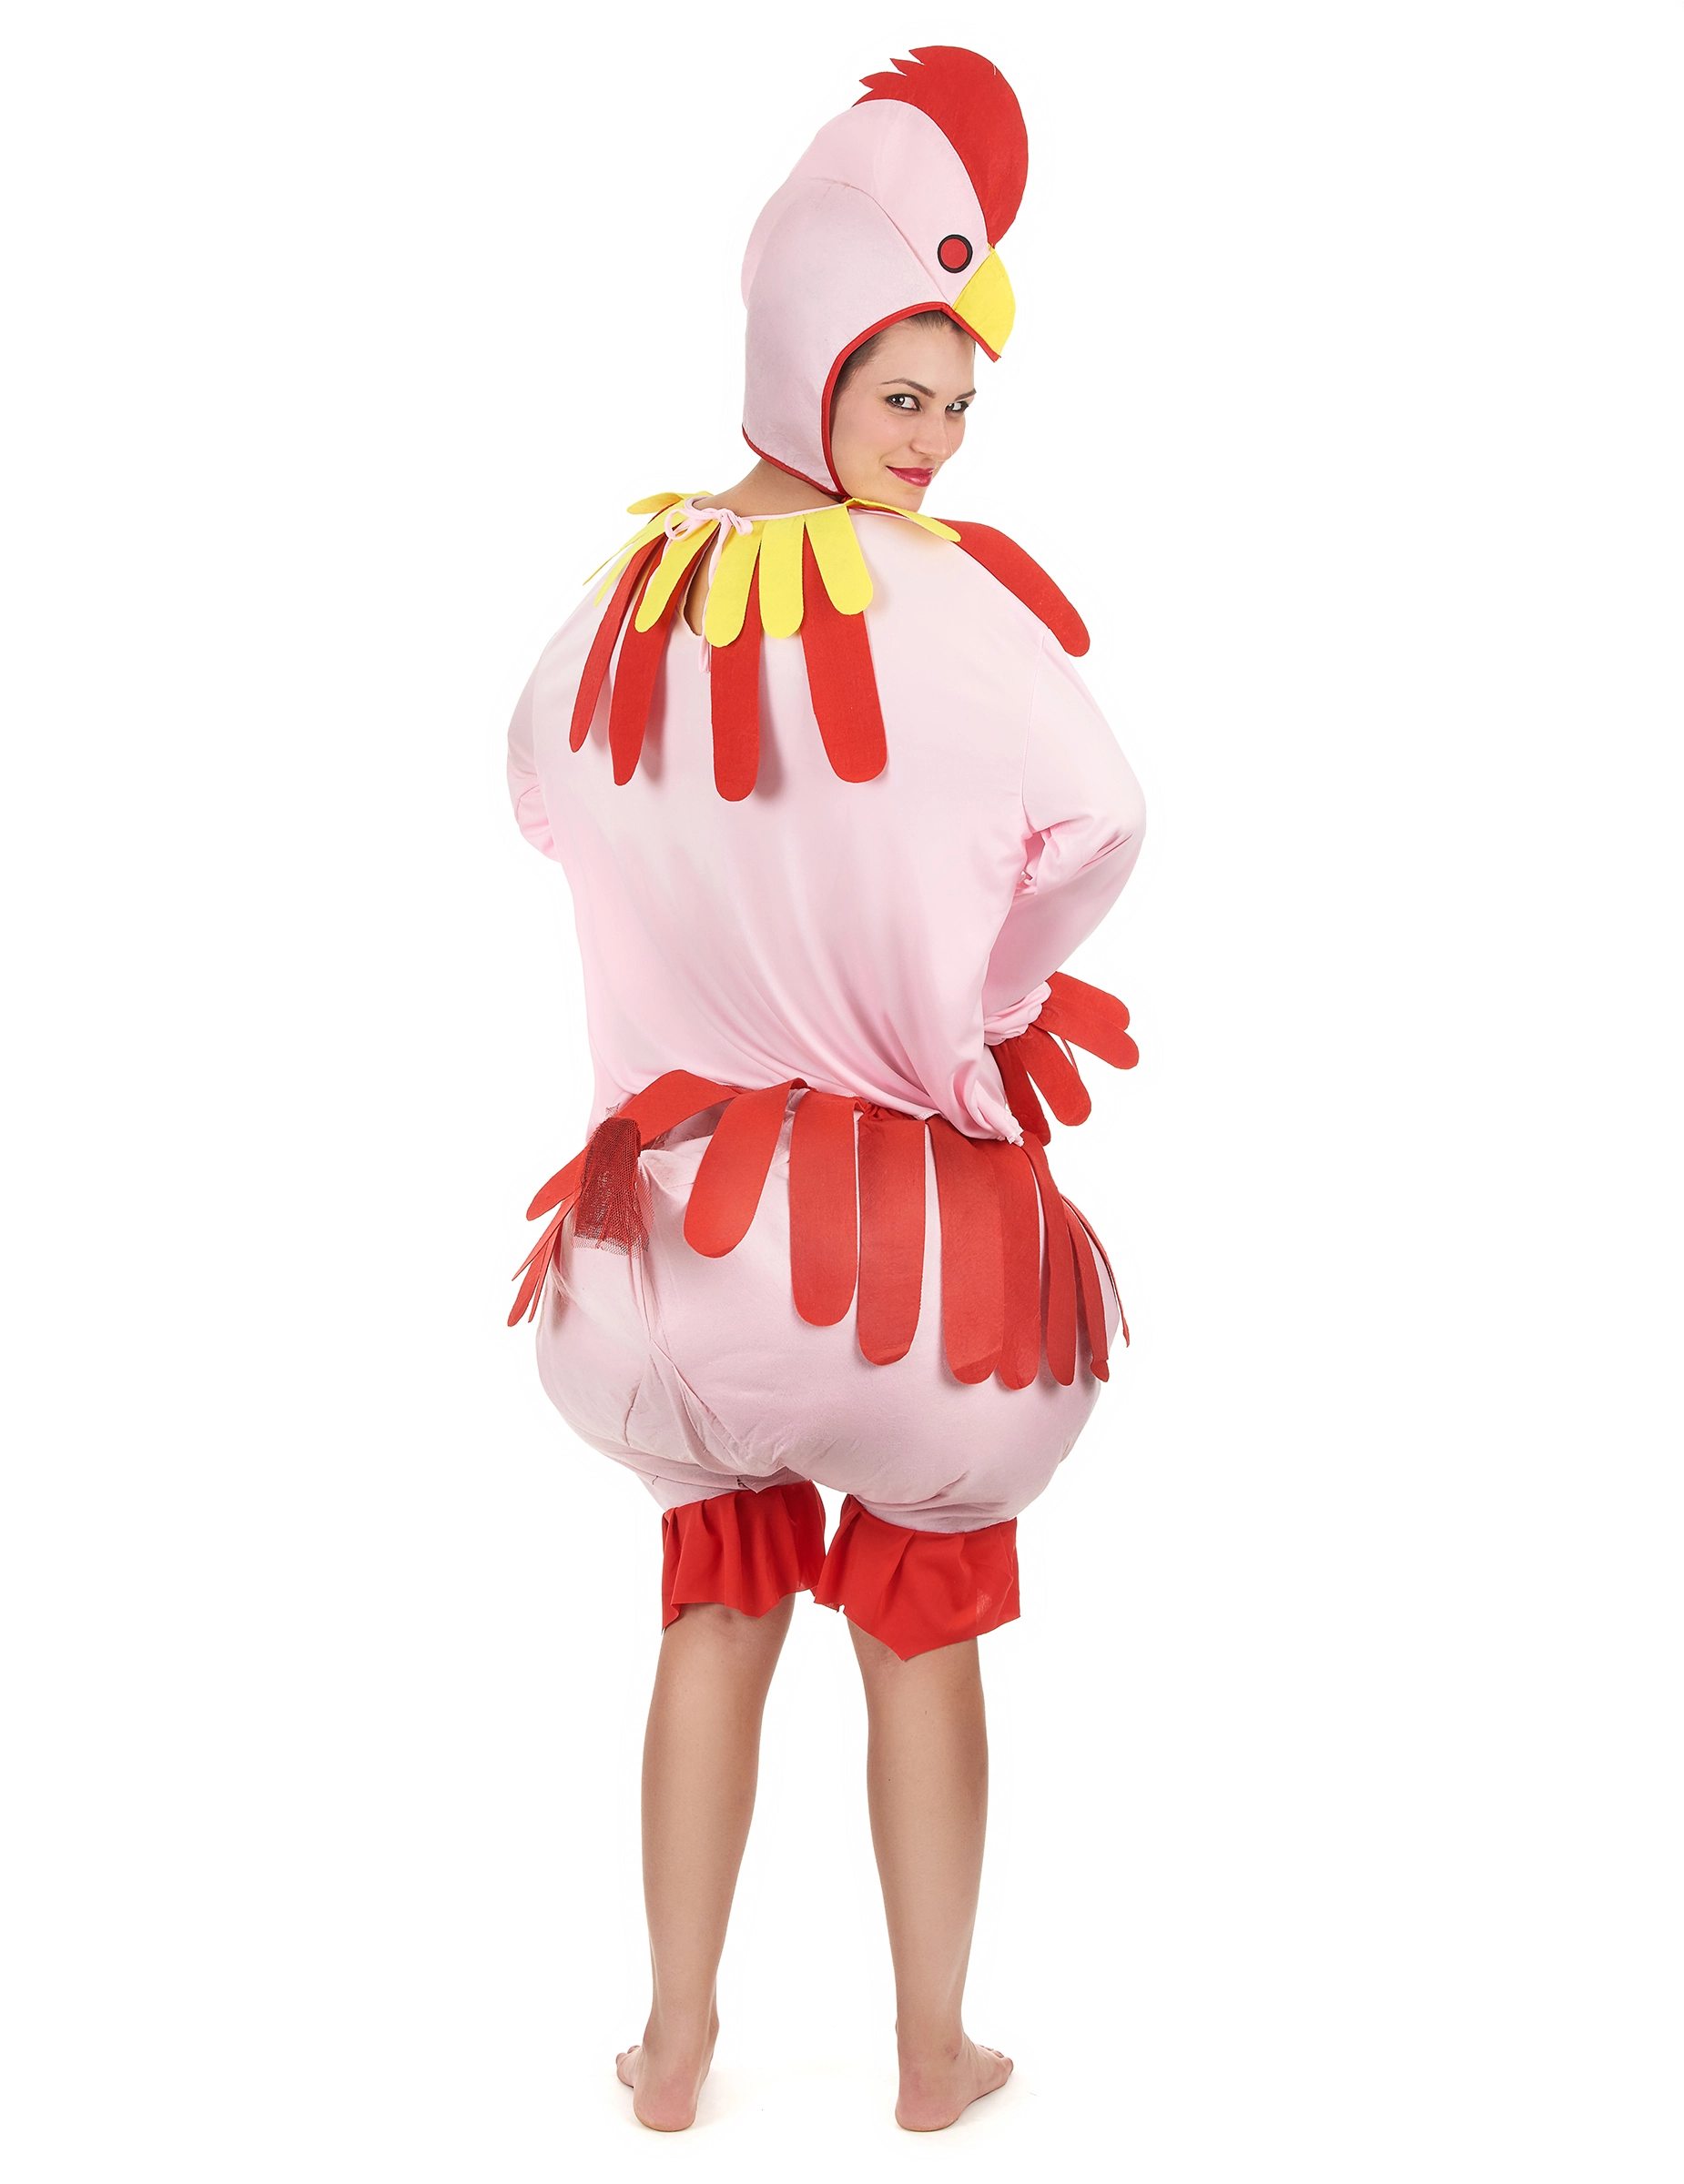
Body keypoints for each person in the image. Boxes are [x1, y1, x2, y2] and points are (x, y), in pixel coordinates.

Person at [505, 47, 1146, 2132]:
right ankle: (933, 2054)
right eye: (903, 396)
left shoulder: (618, 602)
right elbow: (1105, 817)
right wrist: (976, 1005)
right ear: (809, 361)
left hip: (654, 1273)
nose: (934, 447)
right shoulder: (942, 600)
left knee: (713, 1604)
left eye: (957, 409)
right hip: (904, 1281)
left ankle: (674, 2044)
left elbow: (533, 792)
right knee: (921, 1623)